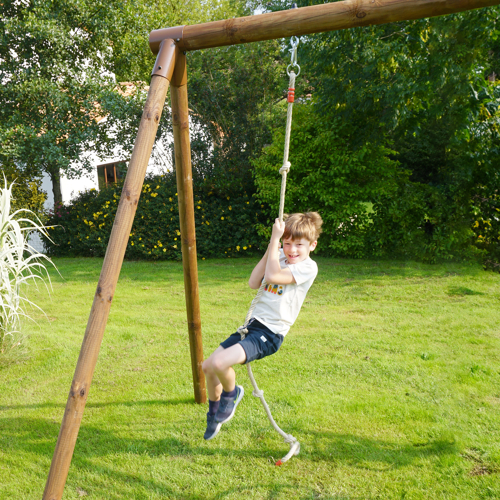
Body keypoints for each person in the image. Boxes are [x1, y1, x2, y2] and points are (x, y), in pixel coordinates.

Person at [202, 212, 323, 440]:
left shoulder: (308, 267)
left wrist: (276, 242)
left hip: (270, 333)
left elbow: (274, 276)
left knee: (220, 362)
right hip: (252, 326)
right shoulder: (278, 254)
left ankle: (232, 393)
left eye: (299, 244)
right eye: (287, 243)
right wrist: (273, 246)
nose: (292, 250)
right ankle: (215, 411)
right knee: (208, 367)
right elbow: (253, 282)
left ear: (312, 245)